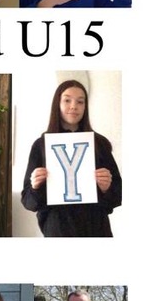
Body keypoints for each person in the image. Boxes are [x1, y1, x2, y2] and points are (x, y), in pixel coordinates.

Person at [21, 80, 122, 236]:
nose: (74, 106)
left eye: (80, 102)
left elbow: (118, 195)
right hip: (58, 229)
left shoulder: (99, 143)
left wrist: (106, 188)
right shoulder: (41, 145)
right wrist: (35, 186)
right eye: (67, 100)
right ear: (57, 104)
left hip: (95, 228)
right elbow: (28, 201)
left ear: (85, 107)